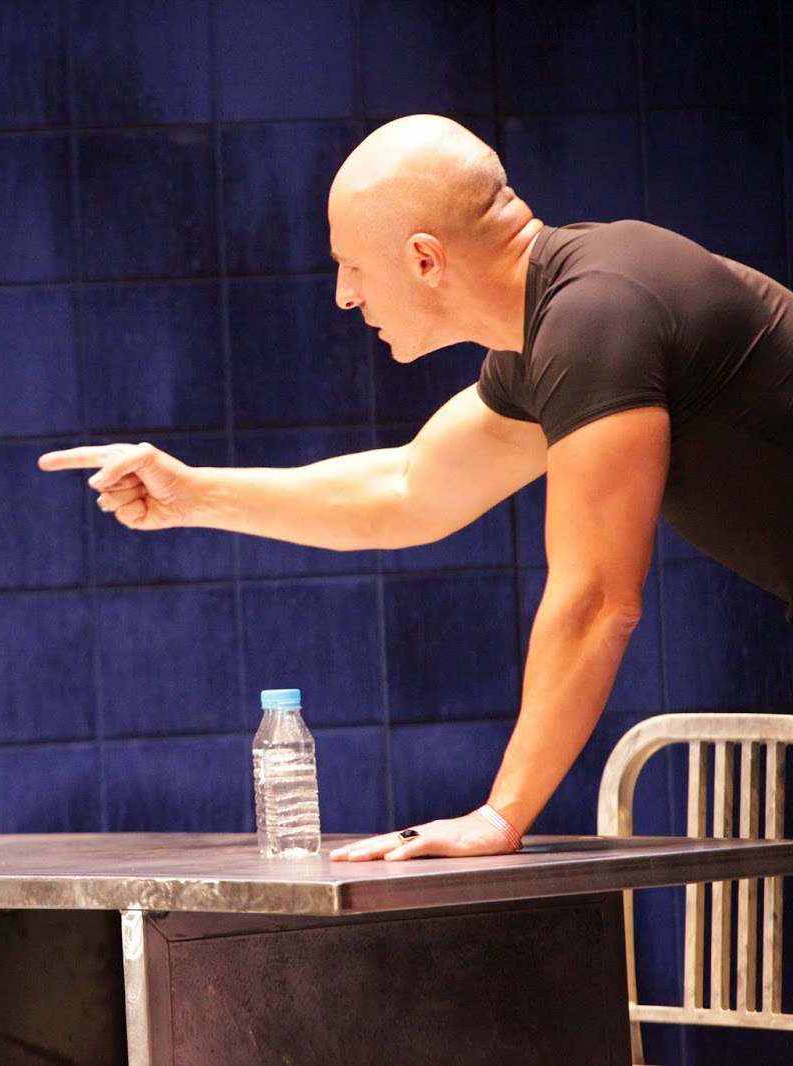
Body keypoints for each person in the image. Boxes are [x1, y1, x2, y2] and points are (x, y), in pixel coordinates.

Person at [40, 114, 793, 863]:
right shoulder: (561, 325)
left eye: (351, 266)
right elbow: (409, 489)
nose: (343, 295)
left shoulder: (596, 315)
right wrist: (193, 495)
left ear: (425, 259)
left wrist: (500, 817)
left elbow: (597, 599)